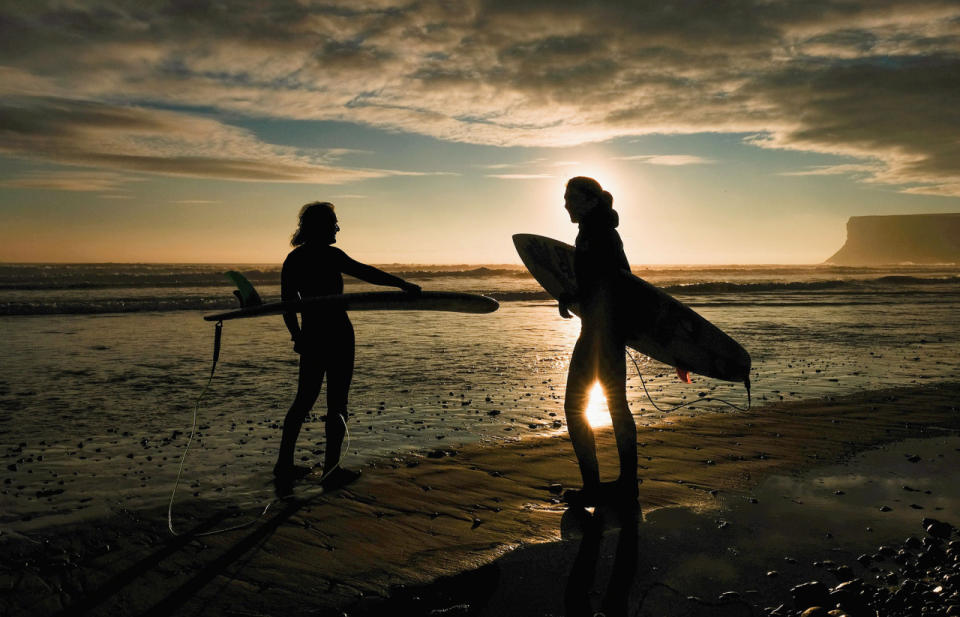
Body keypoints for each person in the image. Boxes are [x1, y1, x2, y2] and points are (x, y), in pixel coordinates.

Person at [275, 201, 421, 489]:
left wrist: (297, 335)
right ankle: (330, 470)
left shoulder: (294, 260)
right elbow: (368, 273)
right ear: (320, 226)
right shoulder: (330, 256)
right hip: (338, 335)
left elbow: (288, 306)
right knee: (336, 402)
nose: (337, 227)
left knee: (304, 400)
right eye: (333, 223)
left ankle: (284, 464)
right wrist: (402, 285)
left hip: (313, 335)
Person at [558, 177, 638, 507]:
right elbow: (607, 281)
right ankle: (625, 484)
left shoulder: (598, 233)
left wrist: (577, 298)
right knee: (616, 404)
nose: (566, 204)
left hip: (599, 333)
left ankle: (596, 486)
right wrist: (573, 296)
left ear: (590, 201)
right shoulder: (598, 230)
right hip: (604, 330)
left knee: (576, 407)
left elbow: (610, 284)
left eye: (571, 198)